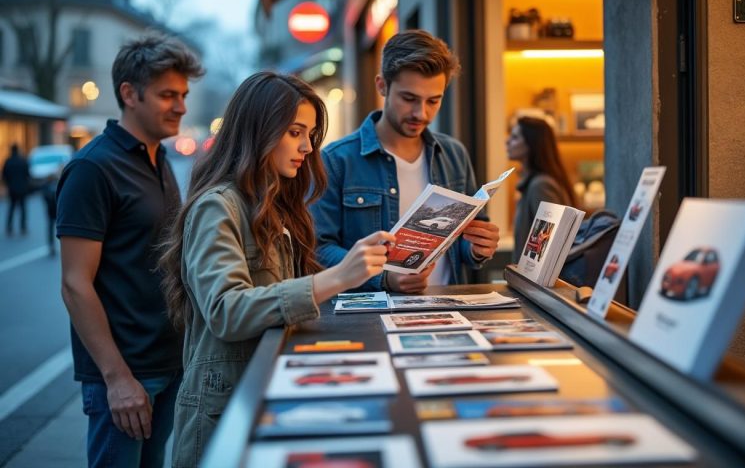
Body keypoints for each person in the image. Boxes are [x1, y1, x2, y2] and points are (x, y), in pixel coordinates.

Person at [159, 71, 394, 467]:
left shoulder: (276, 203)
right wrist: (336, 277)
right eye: (294, 132)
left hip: (265, 395)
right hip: (224, 413)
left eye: (311, 135)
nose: (306, 146)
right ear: (258, 130)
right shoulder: (218, 206)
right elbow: (227, 311)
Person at [56, 34, 204, 468]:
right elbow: (74, 284)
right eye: (167, 95)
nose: (180, 106)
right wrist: (117, 379)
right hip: (123, 375)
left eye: (183, 95)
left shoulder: (158, 159)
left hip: (167, 362)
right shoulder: (92, 168)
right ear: (129, 93)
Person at [311, 30, 500, 294]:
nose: (420, 113)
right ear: (382, 86)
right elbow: (317, 251)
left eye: (433, 101)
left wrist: (479, 247)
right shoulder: (336, 161)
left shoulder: (454, 154)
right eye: (409, 98)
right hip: (371, 319)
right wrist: (384, 279)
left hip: (450, 313)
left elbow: (465, 243)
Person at [506, 115, 577, 261]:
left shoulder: (541, 186)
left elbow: (548, 243)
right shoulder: (534, 183)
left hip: (535, 280)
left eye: (514, 137)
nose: (507, 141)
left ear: (531, 144)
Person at [2, 143, 30, 235]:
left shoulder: (8, 161)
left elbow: (4, 175)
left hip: (12, 189)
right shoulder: (22, 161)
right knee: (22, 209)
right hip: (22, 188)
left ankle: (9, 227)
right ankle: (23, 227)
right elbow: (27, 174)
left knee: (11, 208)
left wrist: (9, 184)